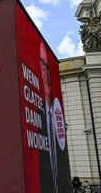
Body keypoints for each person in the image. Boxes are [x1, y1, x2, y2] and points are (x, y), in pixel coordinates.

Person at [38, 42, 69, 192]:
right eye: (42, 66)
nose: (46, 73)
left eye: (48, 68)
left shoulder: (57, 113)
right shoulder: (37, 115)